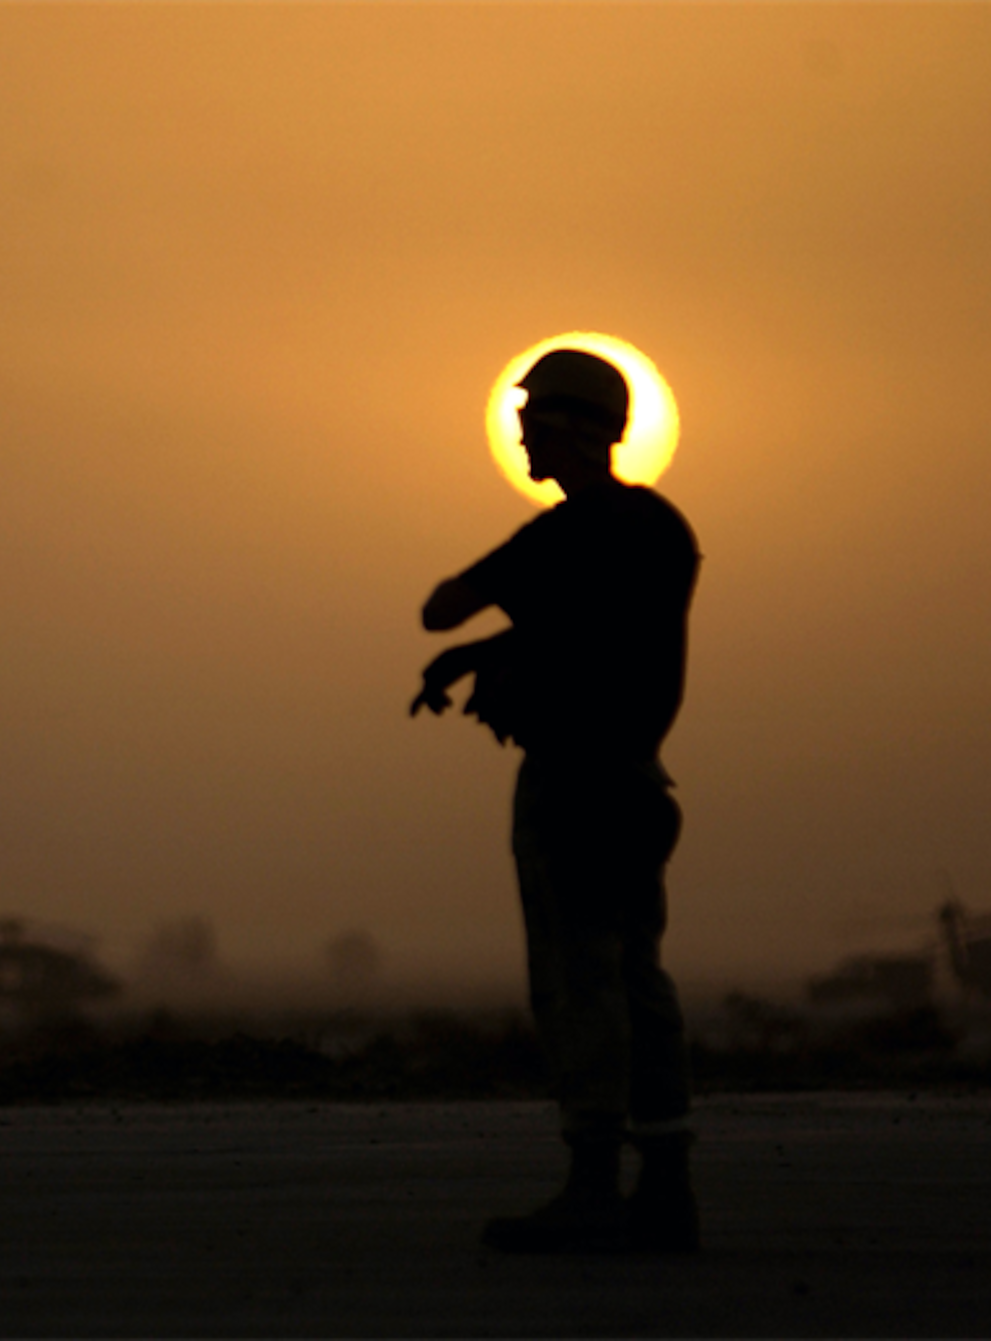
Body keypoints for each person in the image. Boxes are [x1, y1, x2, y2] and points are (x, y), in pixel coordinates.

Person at [411, 348, 701, 1254]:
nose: (522, 431)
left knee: (582, 986)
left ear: (573, 425)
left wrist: (482, 642)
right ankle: (664, 1189)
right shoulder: (658, 528)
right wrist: (490, 653)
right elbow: (595, 626)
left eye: (533, 415)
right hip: (638, 783)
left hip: (575, 787)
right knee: (638, 984)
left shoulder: (563, 536)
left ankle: (590, 1187)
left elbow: (441, 607)